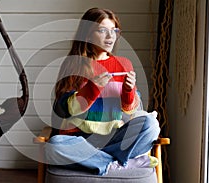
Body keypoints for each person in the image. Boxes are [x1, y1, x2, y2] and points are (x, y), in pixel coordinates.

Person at [45, 7, 160, 176]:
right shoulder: (74, 64)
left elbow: (129, 109)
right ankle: (120, 163)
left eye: (114, 31)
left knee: (151, 125)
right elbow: (61, 110)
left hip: (114, 138)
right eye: (103, 31)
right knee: (55, 144)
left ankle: (102, 161)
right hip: (81, 140)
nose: (110, 36)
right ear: (88, 34)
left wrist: (128, 91)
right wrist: (91, 88)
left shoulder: (124, 64)